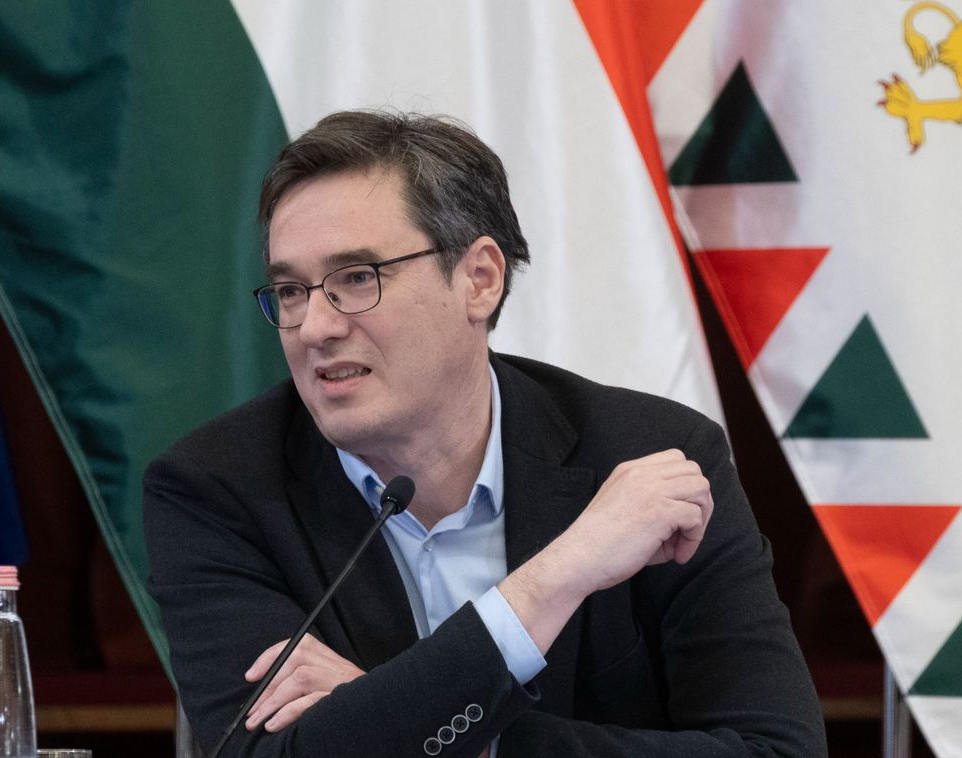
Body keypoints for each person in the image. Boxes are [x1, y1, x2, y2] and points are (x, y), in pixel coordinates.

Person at [143, 110, 826, 757]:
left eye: (355, 278)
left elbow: (778, 750)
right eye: (292, 291)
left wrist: (423, 726)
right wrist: (559, 574)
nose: (314, 327)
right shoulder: (216, 490)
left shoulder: (649, 455)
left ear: (479, 280)